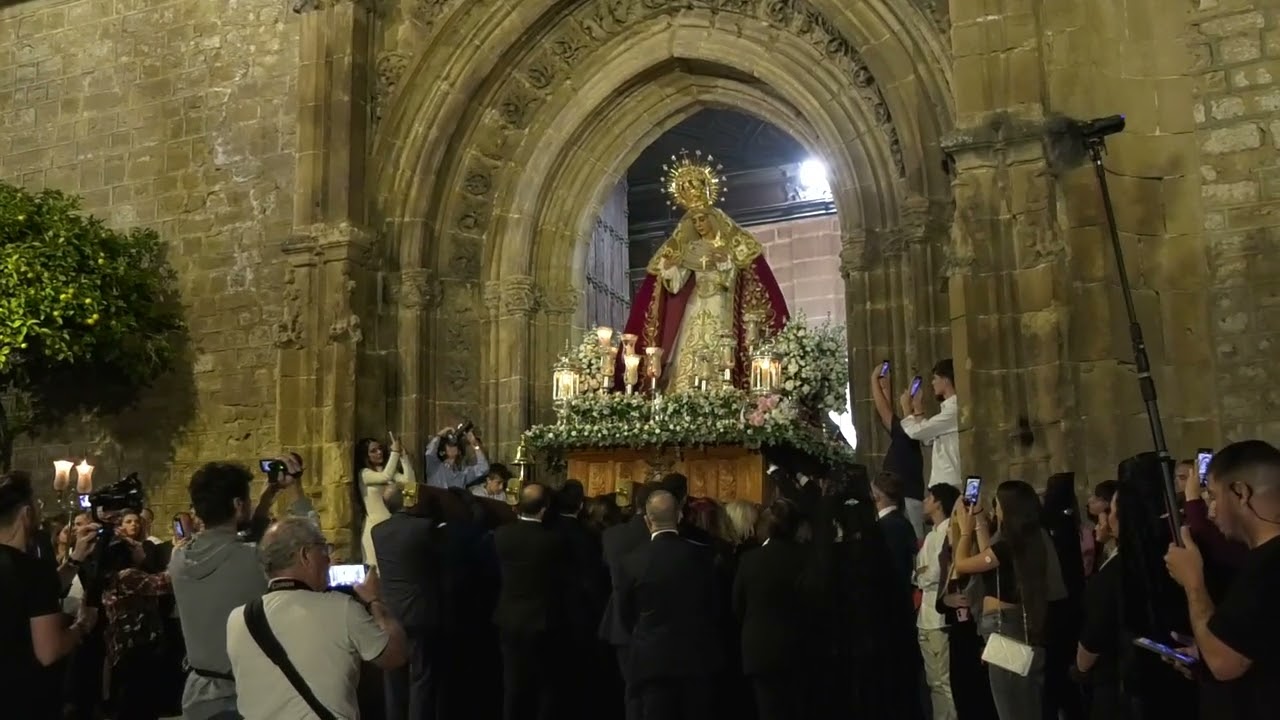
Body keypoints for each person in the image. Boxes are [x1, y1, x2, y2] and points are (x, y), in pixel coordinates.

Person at [619, 156, 788, 391]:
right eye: (695, 220)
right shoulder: (691, 249)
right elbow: (677, 285)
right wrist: (668, 268)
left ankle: (724, 387)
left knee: (720, 345)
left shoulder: (727, 246)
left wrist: (724, 264)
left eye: (702, 219)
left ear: (712, 219)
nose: (698, 224)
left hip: (720, 302)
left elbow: (734, 281)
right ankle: (685, 391)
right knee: (689, 346)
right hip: (696, 303)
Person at [226, 518, 408, 719]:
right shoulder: (342, 609)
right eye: (323, 549)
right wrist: (375, 601)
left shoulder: (237, 619)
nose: (329, 560)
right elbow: (396, 655)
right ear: (305, 555)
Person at [171, 462, 307, 720]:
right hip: (246, 697)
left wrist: (267, 497)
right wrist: (296, 489)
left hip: (199, 697)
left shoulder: (178, 558)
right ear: (237, 505)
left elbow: (234, 542)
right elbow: (308, 548)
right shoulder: (256, 559)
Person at [1164, 440, 1280, 720]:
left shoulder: (1268, 566)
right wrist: (1202, 647)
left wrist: (1193, 581)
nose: (1211, 511)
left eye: (1213, 497)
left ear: (1241, 492)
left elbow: (1224, 662)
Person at [952, 480, 1057, 720]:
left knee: (1010, 705)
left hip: (1004, 628)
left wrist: (965, 530)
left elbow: (962, 564)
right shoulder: (1027, 542)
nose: (995, 508)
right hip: (1014, 624)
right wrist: (978, 517)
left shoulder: (1008, 546)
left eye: (997, 503)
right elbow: (989, 552)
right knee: (1024, 702)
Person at [0, 470, 99, 720]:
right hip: (20, 700)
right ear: (25, 513)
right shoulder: (33, 570)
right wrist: (82, 626)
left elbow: (30, 592)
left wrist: (75, 559)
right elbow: (49, 651)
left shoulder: (34, 574)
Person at [617, 490, 723, 720]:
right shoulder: (703, 557)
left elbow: (624, 612)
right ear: (679, 515)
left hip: (651, 658)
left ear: (647, 520)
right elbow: (715, 605)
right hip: (696, 655)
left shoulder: (632, 561)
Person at [731, 498, 814, 720]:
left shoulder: (750, 560)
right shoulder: (809, 558)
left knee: (768, 710)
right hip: (802, 647)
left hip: (760, 651)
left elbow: (737, 606)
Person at [492, 483, 567, 720]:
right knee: (545, 684)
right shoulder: (553, 540)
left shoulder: (501, 535)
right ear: (544, 509)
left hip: (509, 618)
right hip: (543, 620)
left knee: (512, 684)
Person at [371, 484, 441, 720]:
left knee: (393, 675)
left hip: (392, 610)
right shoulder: (424, 528)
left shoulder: (377, 531)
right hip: (419, 610)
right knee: (421, 676)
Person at [917, 483, 961, 720]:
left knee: (945, 680)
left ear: (939, 502)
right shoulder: (931, 534)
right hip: (925, 616)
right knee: (933, 680)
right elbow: (919, 572)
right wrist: (923, 575)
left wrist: (924, 575)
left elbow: (934, 573)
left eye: (929, 497)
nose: (925, 501)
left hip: (939, 617)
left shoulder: (946, 532)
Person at [869, 363, 926, 538]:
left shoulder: (908, 434)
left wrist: (873, 381)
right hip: (906, 498)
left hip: (908, 499)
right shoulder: (906, 433)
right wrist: (886, 388)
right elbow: (888, 420)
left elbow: (885, 414)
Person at [353, 432, 416, 568]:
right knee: (375, 570)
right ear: (365, 455)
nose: (379, 452)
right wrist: (394, 452)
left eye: (380, 449)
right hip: (374, 528)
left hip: (390, 526)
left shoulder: (388, 470)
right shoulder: (364, 474)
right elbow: (385, 477)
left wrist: (403, 457)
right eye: (373, 451)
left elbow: (410, 483)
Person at [900, 358, 961, 490]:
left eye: (935, 378)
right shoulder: (948, 409)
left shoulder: (954, 409)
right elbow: (927, 437)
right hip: (943, 480)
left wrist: (906, 410)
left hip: (949, 482)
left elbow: (917, 432)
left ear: (945, 380)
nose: (932, 383)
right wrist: (917, 408)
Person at [424, 426, 490, 490]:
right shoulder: (435, 468)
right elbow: (429, 453)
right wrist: (440, 435)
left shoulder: (462, 474)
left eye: (455, 445)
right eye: (449, 445)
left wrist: (474, 443)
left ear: (459, 451)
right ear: (444, 449)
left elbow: (483, 468)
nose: (452, 447)